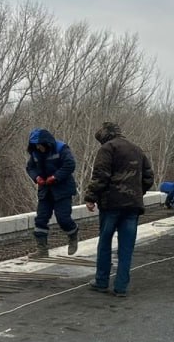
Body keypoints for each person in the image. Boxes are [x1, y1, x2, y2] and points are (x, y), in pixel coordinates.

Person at [83, 121, 154, 297]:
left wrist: (91, 197)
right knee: (126, 247)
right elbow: (148, 177)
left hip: (111, 204)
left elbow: (101, 175)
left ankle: (101, 281)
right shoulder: (137, 149)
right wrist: (136, 192)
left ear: (106, 135)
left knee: (105, 242)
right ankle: (121, 287)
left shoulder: (107, 149)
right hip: (132, 206)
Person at [26, 128, 79, 256]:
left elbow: (70, 165)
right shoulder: (35, 153)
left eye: (40, 145)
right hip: (45, 190)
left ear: (46, 143)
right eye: (36, 146)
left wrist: (55, 177)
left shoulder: (61, 149)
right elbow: (30, 168)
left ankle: (73, 234)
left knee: (63, 218)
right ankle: (42, 250)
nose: (39, 148)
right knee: (41, 219)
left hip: (63, 189)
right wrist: (36, 177)